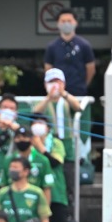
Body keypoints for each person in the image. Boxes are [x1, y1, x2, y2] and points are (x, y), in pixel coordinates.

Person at [33, 69, 82, 199]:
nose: (54, 85)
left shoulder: (66, 101)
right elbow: (35, 113)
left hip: (66, 145)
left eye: (57, 82)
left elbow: (78, 107)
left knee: (68, 180)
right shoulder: (43, 102)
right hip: (49, 144)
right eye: (51, 82)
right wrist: (48, 97)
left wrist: (63, 93)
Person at [30, 114, 69, 222]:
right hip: (34, 195)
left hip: (56, 194)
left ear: (48, 128)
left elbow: (55, 162)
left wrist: (40, 146)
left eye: (41, 122)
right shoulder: (28, 144)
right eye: (34, 122)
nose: (37, 125)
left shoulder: (56, 143)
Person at [43, 7, 95, 97]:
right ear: (58, 24)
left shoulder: (84, 45)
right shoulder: (52, 46)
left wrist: (83, 84)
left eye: (69, 21)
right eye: (63, 21)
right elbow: (48, 68)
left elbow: (91, 68)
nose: (66, 23)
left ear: (75, 23)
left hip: (79, 91)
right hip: (57, 92)